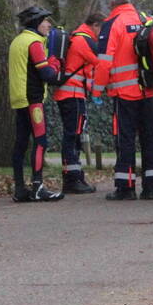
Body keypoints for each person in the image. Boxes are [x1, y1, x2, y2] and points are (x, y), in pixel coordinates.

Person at [94, 0, 153, 200]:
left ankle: (126, 187)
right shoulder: (144, 19)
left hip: (124, 94)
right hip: (149, 91)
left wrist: (96, 91)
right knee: (150, 138)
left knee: (126, 140)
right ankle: (150, 187)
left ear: (111, 1)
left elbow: (104, 62)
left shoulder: (112, 24)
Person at [8, 6, 64, 202]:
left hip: (18, 99)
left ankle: (19, 189)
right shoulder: (34, 43)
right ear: (36, 23)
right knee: (40, 142)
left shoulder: (17, 41)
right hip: (33, 100)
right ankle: (38, 187)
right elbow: (47, 74)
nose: (48, 24)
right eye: (45, 21)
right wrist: (55, 62)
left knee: (21, 144)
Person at [52, 12, 104, 194]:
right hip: (72, 94)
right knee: (72, 136)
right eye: (102, 29)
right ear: (95, 25)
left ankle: (75, 176)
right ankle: (72, 179)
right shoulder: (83, 41)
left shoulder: (78, 38)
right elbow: (100, 63)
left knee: (74, 135)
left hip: (72, 94)